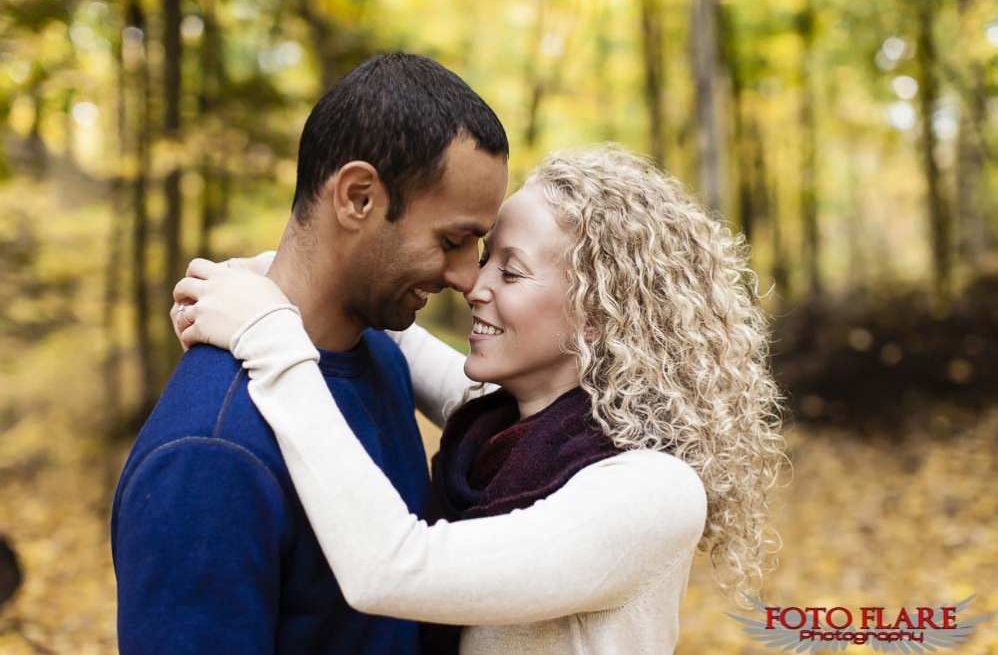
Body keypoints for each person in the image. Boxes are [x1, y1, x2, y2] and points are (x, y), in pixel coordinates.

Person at [174, 145, 787, 654]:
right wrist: (270, 279)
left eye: (510, 272)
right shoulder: (498, 421)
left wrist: (267, 334)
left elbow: (390, 566)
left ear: (601, 315)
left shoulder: (650, 492)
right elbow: (401, 340)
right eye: (484, 258)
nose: (472, 284)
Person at [111, 52, 509, 655]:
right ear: (356, 197)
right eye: (452, 240)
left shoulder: (381, 357)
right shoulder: (208, 456)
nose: (465, 276)